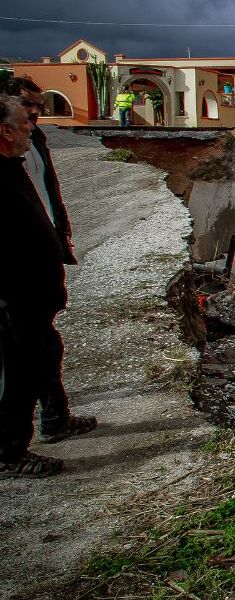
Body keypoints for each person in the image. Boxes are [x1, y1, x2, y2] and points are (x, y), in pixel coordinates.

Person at [6, 77, 96, 445]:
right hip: (15, 276)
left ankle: (56, 417)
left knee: (45, 346)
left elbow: (46, 191)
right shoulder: (5, 162)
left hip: (40, 263)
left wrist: (59, 230)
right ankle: (11, 447)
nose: (35, 116)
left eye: (40, 107)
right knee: (21, 360)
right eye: (28, 106)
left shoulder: (33, 142)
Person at [0, 95, 68, 478]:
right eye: (24, 121)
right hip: (15, 297)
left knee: (43, 356)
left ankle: (55, 420)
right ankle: (9, 452)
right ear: (4, 131)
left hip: (34, 294)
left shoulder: (13, 167)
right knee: (17, 374)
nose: (32, 126)